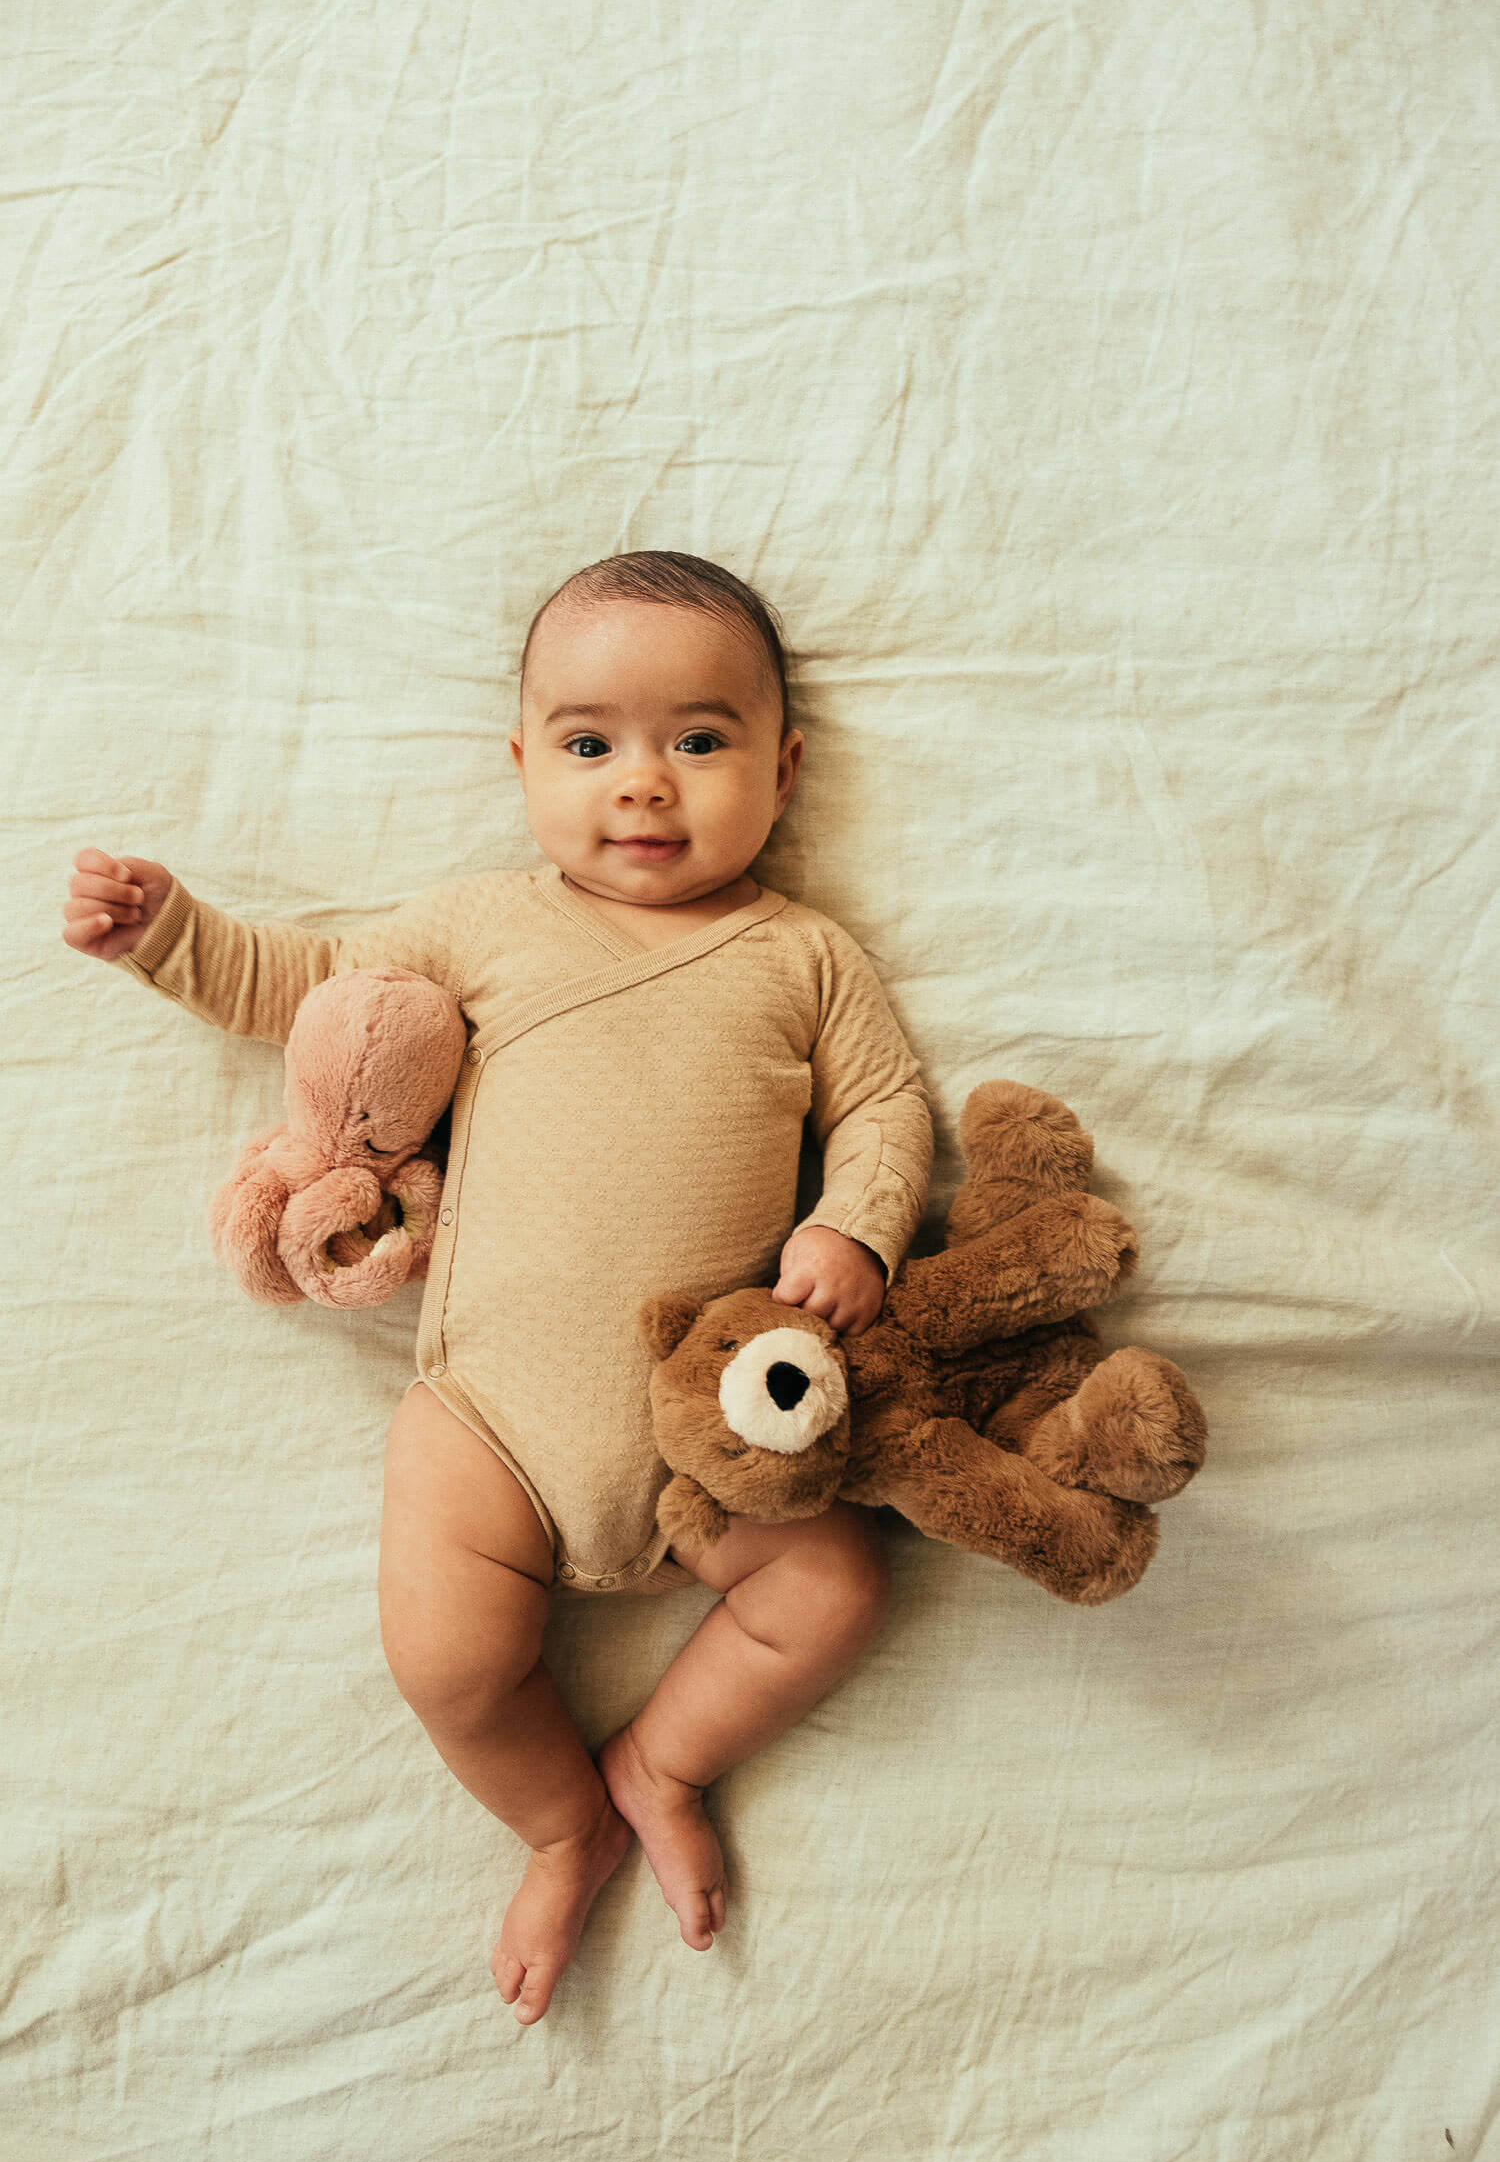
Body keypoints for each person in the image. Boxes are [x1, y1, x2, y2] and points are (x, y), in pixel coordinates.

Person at [61, 551, 934, 2028]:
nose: (644, 784)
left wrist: (856, 1225)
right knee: (447, 1655)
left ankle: (660, 1760)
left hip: (707, 1435)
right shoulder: (485, 926)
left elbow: (888, 1104)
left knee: (836, 1583)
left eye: (700, 741)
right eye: (591, 745)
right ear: (523, 762)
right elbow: (317, 988)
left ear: (785, 767)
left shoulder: (805, 955)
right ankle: (558, 1819)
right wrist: (174, 934)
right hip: (493, 1419)